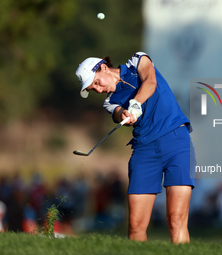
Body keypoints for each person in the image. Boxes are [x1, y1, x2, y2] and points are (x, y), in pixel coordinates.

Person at [75, 52, 195, 243]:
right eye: (92, 89)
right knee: (136, 226)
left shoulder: (137, 61)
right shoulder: (110, 102)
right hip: (145, 151)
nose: (98, 90)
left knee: (176, 219)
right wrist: (126, 114)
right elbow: (118, 113)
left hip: (176, 141)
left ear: (104, 67)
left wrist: (136, 103)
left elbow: (150, 82)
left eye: (96, 82)